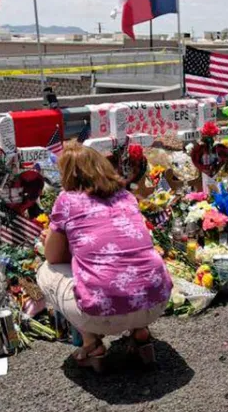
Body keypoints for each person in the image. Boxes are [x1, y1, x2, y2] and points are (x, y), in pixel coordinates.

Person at [37, 143, 173, 372]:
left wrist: (51, 239)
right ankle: (140, 333)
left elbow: (53, 256)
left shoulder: (67, 200)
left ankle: (92, 344)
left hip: (102, 313)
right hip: (156, 302)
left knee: (45, 271)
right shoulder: (126, 197)